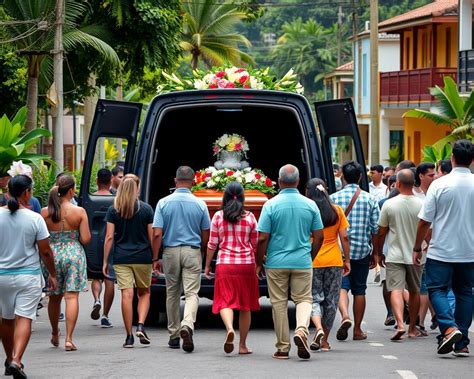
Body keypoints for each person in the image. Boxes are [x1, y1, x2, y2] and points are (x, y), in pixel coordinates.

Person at [413, 140, 474, 356]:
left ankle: (448, 327)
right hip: (469, 252)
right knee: (466, 293)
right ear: (472, 160)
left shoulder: (439, 185)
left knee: (437, 290)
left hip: (441, 251)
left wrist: (417, 247)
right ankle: (462, 343)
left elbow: (424, 222)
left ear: (453, 159)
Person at [256, 164, 324, 360]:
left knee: (278, 303)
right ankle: (301, 330)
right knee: (304, 299)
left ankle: (283, 348)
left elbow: (262, 238)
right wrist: (310, 256)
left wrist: (259, 261)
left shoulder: (270, 205)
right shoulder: (310, 205)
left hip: (276, 262)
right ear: (298, 181)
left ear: (279, 182)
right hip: (302, 261)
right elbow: (319, 236)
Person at [0, 175, 58, 379]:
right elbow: (46, 252)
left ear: (7, 193)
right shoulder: (35, 219)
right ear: (27, 193)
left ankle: (9, 360)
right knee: (24, 317)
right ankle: (16, 360)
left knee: (6, 319)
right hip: (28, 277)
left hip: (1, 277)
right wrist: (52, 273)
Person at [152, 166, 211, 353]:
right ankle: (188, 324)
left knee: (172, 293)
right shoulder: (200, 204)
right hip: (192, 251)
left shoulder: (163, 203)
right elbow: (206, 233)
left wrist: (155, 257)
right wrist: (201, 251)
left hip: (170, 251)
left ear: (175, 181)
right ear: (193, 182)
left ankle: (174, 335)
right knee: (192, 292)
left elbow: (157, 233)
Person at [204, 182, 259, 355]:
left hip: (225, 264)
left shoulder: (218, 216)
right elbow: (256, 243)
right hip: (246, 265)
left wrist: (207, 265)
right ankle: (242, 345)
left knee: (225, 301)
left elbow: (212, 244)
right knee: (245, 306)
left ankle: (229, 328)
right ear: (242, 196)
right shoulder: (250, 217)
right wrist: (258, 264)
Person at [330, 161, 380, 341]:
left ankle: (345, 316)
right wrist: (375, 253)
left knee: (342, 287)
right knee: (360, 290)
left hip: (339, 251)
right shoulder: (370, 199)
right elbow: (376, 229)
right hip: (361, 251)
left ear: (342, 176)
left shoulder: (333, 198)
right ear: (360, 177)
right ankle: (357, 330)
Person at [104, 174, 154, 348]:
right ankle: (140, 324)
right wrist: (155, 257)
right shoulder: (146, 209)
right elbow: (152, 236)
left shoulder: (113, 210)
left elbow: (109, 237)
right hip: (143, 257)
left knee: (127, 294)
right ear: (137, 189)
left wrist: (105, 261)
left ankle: (129, 336)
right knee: (144, 292)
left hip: (121, 257)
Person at [41, 174, 91, 352]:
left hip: (53, 255)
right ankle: (69, 339)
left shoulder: (45, 212)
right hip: (73, 254)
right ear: (71, 190)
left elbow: (42, 238)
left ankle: (55, 332)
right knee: (71, 297)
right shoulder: (79, 212)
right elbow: (85, 239)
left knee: (54, 298)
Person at [375, 170, 424, 341]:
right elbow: (428, 231)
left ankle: (400, 323)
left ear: (398, 184)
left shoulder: (389, 204)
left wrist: (379, 253)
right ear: (414, 183)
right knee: (415, 291)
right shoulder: (421, 204)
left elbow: (381, 232)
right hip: (416, 255)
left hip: (395, 254)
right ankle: (412, 328)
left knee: (395, 289)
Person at [306, 178, 350, 352]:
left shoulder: (308, 211)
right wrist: (347, 259)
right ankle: (325, 340)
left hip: (313, 259)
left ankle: (317, 328)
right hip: (334, 261)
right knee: (331, 301)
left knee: (314, 297)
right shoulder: (336, 210)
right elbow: (344, 237)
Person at [89, 168, 116, 328]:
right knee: (109, 277)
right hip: (111, 242)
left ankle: (96, 299)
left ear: (97, 181)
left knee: (95, 275)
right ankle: (105, 315)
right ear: (111, 181)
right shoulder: (117, 200)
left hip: (93, 241)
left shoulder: (89, 199)